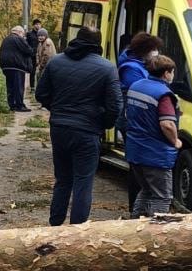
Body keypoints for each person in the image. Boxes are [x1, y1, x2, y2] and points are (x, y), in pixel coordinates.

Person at [35, 25, 122, 226]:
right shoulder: (106, 68)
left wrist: (57, 110)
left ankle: (55, 225)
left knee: (62, 180)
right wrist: (104, 123)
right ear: (98, 43)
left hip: (59, 128)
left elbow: (41, 94)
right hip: (87, 131)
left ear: (76, 38)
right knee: (83, 181)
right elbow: (116, 105)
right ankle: (77, 230)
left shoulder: (57, 62)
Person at [125, 53, 182, 217]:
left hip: (135, 150)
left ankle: (134, 225)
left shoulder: (136, 86)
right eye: (172, 72)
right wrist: (176, 141)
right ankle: (156, 236)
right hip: (155, 154)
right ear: (166, 73)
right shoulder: (163, 94)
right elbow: (167, 124)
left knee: (146, 190)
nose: (172, 75)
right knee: (162, 197)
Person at [116, 32, 164, 209]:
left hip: (138, 120)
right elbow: (142, 91)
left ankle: (141, 207)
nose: (156, 53)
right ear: (146, 50)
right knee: (137, 168)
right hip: (132, 121)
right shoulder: (131, 68)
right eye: (154, 50)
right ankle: (135, 208)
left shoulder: (138, 64)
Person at [0, 25, 35, 111]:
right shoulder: (18, 39)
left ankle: (12, 105)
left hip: (6, 66)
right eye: (23, 34)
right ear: (19, 32)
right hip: (16, 66)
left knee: (10, 86)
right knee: (18, 86)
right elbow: (28, 50)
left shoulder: (6, 39)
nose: (23, 36)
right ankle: (19, 105)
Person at [33, 28, 56, 97]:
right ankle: (41, 96)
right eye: (39, 35)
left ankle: (45, 97)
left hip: (48, 66)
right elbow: (37, 53)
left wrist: (41, 66)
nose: (40, 37)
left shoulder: (47, 42)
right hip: (42, 66)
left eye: (42, 35)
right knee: (39, 79)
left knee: (44, 82)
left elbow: (46, 56)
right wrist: (37, 62)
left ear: (46, 36)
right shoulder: (40, 43)